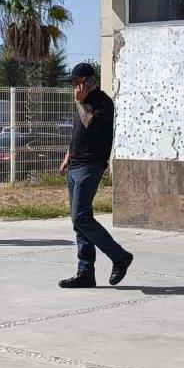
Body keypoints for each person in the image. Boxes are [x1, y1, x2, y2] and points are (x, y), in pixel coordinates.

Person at [58, 63, 133, 289]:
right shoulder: (83, 102)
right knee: (78, 221)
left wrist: (80, 102)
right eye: (74, 83)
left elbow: (89, 123)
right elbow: (78, 132)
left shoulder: (103, 102)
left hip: (90, 166)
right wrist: (67, 156)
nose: (75, 87)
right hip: (75, 165)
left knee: (80, 217)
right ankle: (85, 273)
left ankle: (119, 256)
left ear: (90, 81)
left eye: (78, 82)